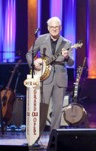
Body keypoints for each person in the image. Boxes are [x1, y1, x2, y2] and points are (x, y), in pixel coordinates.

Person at [26, 16, 74, 146]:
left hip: (60, 79)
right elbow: (29, 54)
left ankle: (54, 140)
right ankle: (36, 138)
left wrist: (67, 57)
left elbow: (71, 63)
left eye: (56, 27)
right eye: (52, 27)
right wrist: (34, 63)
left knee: (57, 110)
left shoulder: (67, 43)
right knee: (42, 108)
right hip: (44, 77)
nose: (54, 29)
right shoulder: (41, 39)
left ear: (60, 28)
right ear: (48, 28)